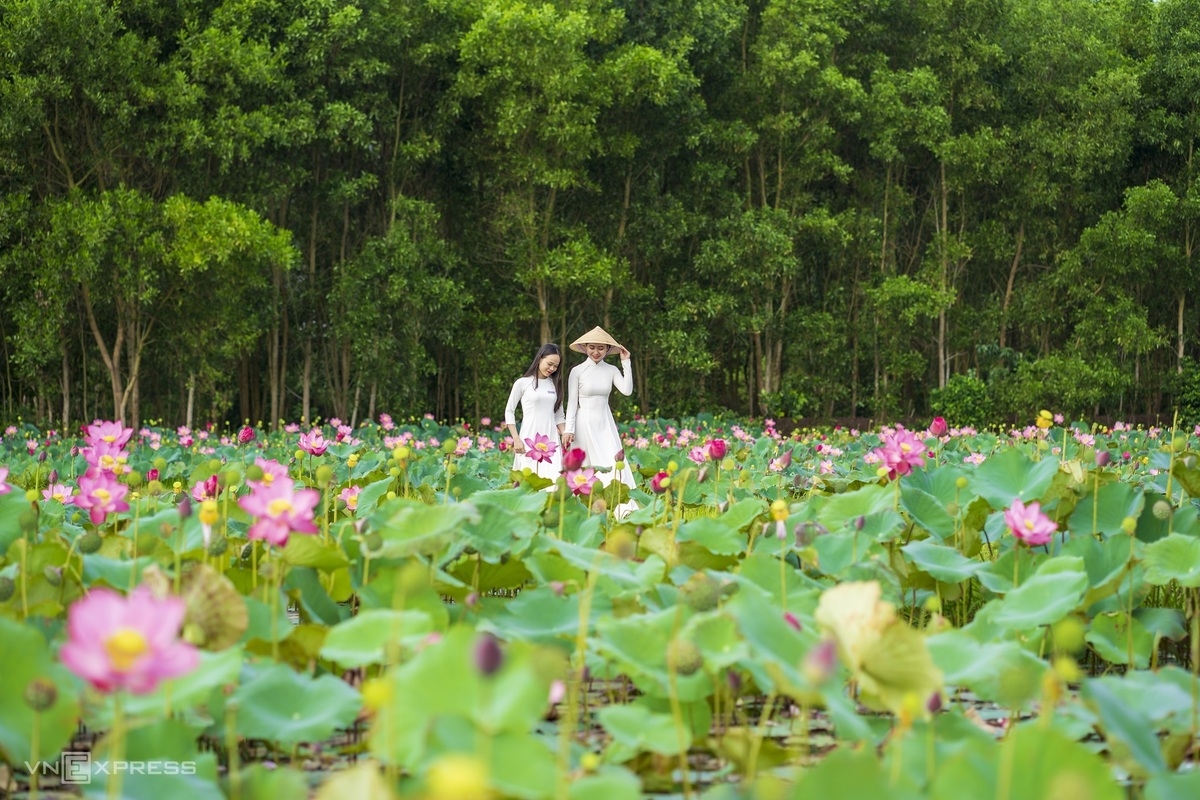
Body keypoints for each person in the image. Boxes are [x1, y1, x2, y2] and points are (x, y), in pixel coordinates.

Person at [562, 326, 636, 491]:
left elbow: (627, 390)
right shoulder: (577, 371)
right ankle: (582, 503)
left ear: (608, 349)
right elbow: (572, 402)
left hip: (604, 422)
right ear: (585, 347)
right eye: (592, 347)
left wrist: (626, 362)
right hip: (583, 422)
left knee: (611, 460)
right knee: (584, 465)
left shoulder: (611, 370)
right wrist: (569, 429)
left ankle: (613, 499)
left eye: (601, 348)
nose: (596, 352)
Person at [504, 343, 566, 481]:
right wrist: (516, 439)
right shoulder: (522, 383)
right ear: (540, 359)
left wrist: (567, 435)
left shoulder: (555, 385)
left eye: (556, 366)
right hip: (528, 440)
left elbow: (559, 416)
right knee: (527, 482)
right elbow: (509, 411)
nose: (552, 369)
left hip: (551, 442)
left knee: (553, 482)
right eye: (549, 364)